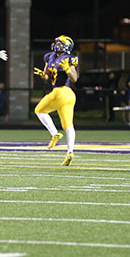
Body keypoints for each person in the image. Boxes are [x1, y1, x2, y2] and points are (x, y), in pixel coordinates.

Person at [33, 35, 79, 166]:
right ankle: (70, 152)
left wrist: (68, 70)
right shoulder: (49, 56)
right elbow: (47, 75)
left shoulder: (69, 58)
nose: (57, 45)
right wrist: (44, 75)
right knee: (68, 125)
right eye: (57, 42)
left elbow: (74, 78)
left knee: (39, 110)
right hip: (68, 95)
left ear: (67, 46)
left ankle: (54, 134)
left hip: (62, 91)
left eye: (60, 43)